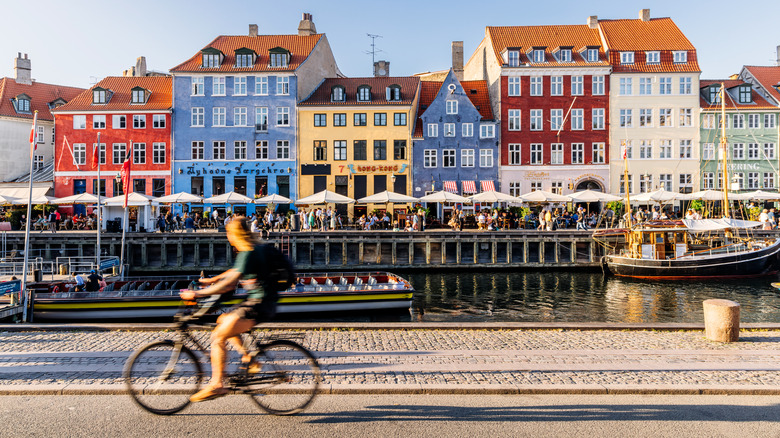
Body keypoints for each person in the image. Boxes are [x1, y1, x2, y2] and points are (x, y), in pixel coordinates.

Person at [179, 217, 282, 403]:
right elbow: (234, 272)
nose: (227, 236)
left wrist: (197, 294)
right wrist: (211, 281)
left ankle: (217, 384)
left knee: (218, 337)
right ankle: (249, 357)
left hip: (259, 305)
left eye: (228, 233)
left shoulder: (248, 252)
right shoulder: (251, 249)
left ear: (235, 234)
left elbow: (228, 284)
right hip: (258, 302)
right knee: (223, 319)